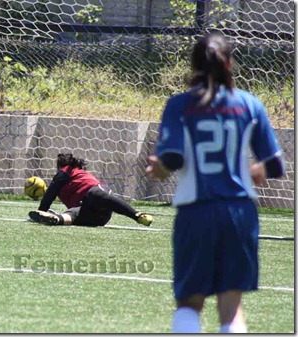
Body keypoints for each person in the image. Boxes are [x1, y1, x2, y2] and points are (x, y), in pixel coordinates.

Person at [146, 32, 285, 333]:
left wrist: (159, 169)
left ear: (193, 66)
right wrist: (254, 170)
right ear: (230, 64)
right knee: (231, 309)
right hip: (239, 212)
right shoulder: (249, 104)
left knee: (189, 305)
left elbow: (171, 157)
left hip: (195, 212)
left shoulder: (180, 104)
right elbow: (274, 164)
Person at [28, 153, 153, 227]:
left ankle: (136, 215)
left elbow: (50, 194)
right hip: (99, 219)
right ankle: (57, 219)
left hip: (96, 198)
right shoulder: (70, 183)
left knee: (95, 195)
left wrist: (41, 210)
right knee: (72, 213)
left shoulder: (66, 170)